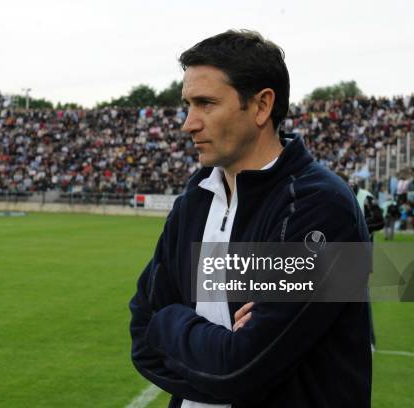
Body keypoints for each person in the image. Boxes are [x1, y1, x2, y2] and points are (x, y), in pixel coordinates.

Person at [129, 30, 372, 408]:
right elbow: (140, 336)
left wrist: (168, 321)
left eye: (206, 103)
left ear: (261, 106)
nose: (188, 123)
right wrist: (211, 351)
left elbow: (238, 369)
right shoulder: (194, 201)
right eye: (187, 105)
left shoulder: (321, 208)